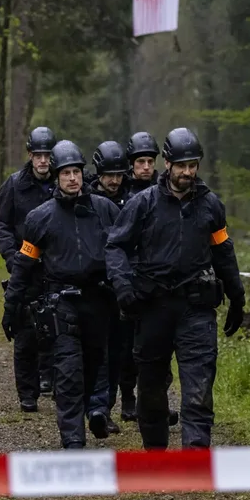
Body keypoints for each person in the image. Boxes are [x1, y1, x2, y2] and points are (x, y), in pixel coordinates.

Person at [106, 128, 245, 449]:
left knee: (199, 388)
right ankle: (157, 457)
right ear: (167, 164)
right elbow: (115, 247)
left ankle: (195, 458)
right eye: (182, 165)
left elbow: (223, 251)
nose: (188, 172)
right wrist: (123, 286)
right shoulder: (143, 204)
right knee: (152, 389)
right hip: (152, 309)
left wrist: (237, 296)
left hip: (196, 309)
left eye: (193, 165)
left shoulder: (211, 206)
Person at [2, 141, 117, 449]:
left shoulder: (105, 210)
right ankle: (73, 439)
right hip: (61, 303)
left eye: (76, 172)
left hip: (98, 301)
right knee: (67, 373)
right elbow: (23, 267)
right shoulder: (41, 217)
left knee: (94, 365)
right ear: (56, 176)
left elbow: (123, 254)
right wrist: (11, 308)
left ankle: (90, 411)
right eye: (66, 173)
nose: (72, 178)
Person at [0, 126, 57, 411]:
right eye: (38, 155)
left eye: (47, 155)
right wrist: (11, 256)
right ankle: (27, 393)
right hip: (25, 266)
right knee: (24, 331)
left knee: (58, 326)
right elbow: (0, 221)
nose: (43, 160)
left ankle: (53, 380)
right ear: (30, 155)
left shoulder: (64, 179)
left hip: (58, 266)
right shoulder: (14, 184)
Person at [90, 141, 136, 429]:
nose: (114, 180)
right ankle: (98, 408)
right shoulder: (86, 200)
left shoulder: (134, 200)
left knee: (122, 350)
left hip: (124, 287)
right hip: (94, 286)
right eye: (109, 175)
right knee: (98, 352)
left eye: (119, 174)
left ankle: (115, 404)